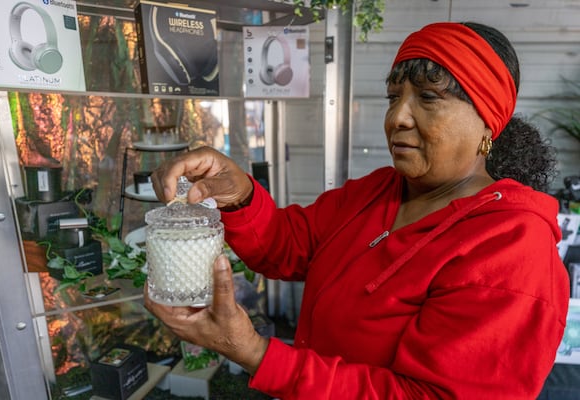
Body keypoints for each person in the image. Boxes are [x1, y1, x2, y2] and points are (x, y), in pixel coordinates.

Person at [145, 22, 570, 399]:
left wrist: (257, 354)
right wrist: (238, 194)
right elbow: (286, 244)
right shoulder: (380, 191)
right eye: (393, 96)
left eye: (427, 97)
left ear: (486, 122)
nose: (397, 117)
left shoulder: (512, 251)